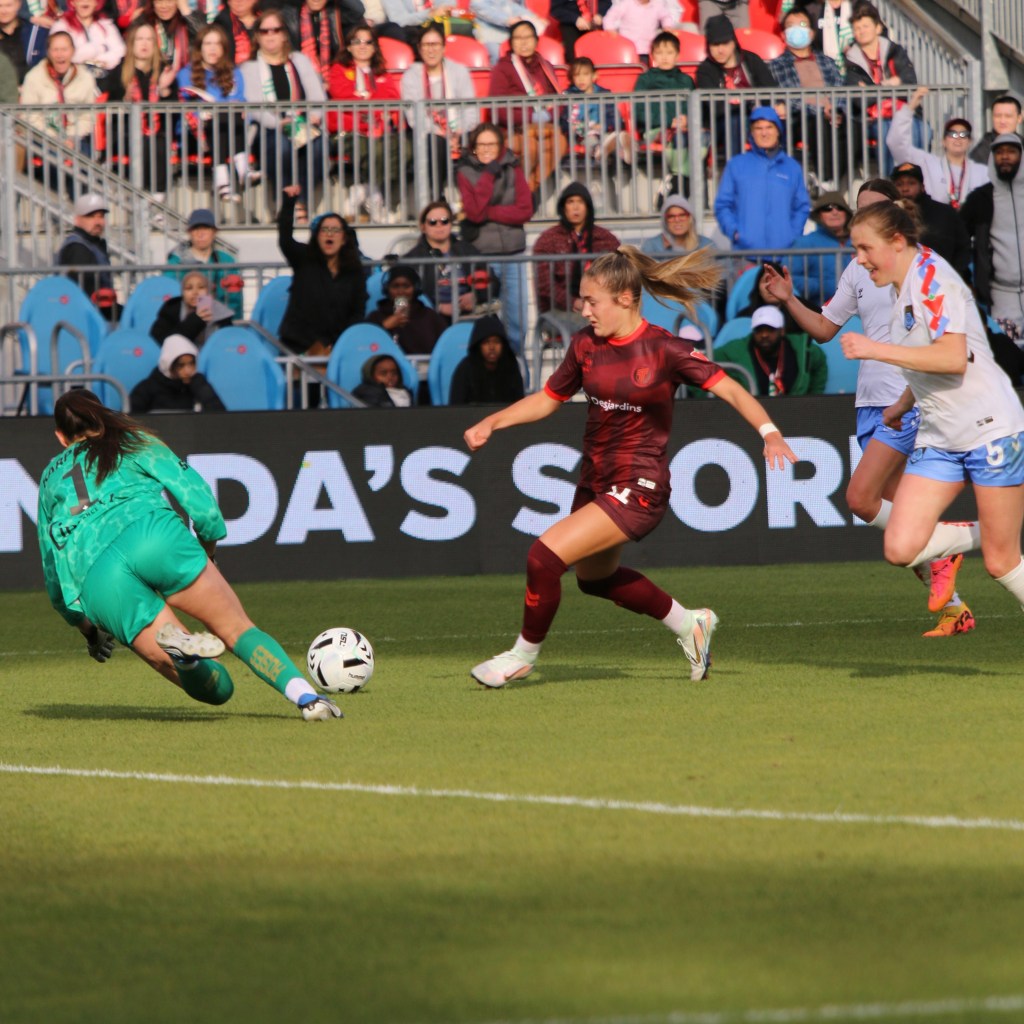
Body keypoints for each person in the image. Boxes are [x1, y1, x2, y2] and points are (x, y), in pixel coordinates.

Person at [464, 246, 798, 687]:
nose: (583, 310)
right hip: (596, 479)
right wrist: (494, 421)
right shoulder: (585, 344)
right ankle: (689, 624)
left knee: (543, 557)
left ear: (625, 297)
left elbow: (732, 390)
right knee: (594, 579)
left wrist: (769, 432)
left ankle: (522, 656)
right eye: (582, 300)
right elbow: (549, 399)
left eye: (591, 301)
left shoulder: (664, 348)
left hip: (640, 485)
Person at [37, 389, 343, 721]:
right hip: (153, 536)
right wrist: (207, 554)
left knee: (218, 691)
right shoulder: (132, 440)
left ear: (60, 437)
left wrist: (89, 631)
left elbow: (54, 579)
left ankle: (185, 657)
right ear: (102, 416)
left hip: (98, 577)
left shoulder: (49, 480)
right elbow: (201, 504)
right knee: (237, 628)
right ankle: (307, 698)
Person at [762, 179, 980, 636]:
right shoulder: (858, 269)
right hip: (870, 403)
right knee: (902, 522)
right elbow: (824, 329)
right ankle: (954, 609)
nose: (863, 223)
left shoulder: (924, 267)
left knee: (861, 499)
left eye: (872, 211)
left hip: (908, 400)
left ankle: (954, 540)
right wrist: (787, 300)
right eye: (859, 214)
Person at [838, 200, 1024, 635]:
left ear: (897, 242)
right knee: (900, 548)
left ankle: (998, 535)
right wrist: (903, 404)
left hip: (989, 429)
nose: (859, 260)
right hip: (939, 435)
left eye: (865, 249)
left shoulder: (931, 278)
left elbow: (953, 358)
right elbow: (926, 358)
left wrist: (873, 349)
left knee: (1001, 562)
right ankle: (982, 535)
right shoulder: (899, 284)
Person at [241, 8, 327, 219]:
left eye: (275, 30)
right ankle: (287, 201)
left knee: (319, 146)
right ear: (257, 36)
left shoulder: (299, 60)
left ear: (284, 34)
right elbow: (255, 106)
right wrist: (279, 123)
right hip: (270, 128)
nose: (270, 35)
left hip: (303, 124)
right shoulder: (249, 68)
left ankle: (300, 202)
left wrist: (314, 115)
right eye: (264, 31)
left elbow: (317, 96)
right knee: (282, 146)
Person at [455, 122, 533, 353]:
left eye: (492, 144)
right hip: (482, 256)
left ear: (500, 146)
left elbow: (525, 210)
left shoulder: (514, 168)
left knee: (517, 320)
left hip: (514, 254)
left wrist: (490, 212)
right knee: (485, 319)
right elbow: (475, 214)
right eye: (482, 145)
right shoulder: (465, 172)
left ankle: (518, 371)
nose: (488, 149)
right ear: (474, 148)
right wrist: (488, 174)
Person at [277, 186, 367, 356]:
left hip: (338, 347)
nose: (329, 235)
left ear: (344, 239)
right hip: (298, 346)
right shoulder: (304, 259)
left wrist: (341, 343)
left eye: (335, 230)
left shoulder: (354, 272)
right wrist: (289, 203)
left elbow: (357, 312)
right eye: (324, 230)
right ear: (316, 236)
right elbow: (285, 240)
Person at [327, 23, 401, 224]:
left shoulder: (381, 73)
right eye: (357, 41)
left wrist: (364, 107)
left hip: (376, 132)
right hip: (348, 132)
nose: (362, 46)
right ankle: (376, 199)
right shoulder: (339, 69)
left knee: (397, 147)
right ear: (348, 47)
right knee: (370, 147)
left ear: (375, 46)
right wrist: (371, 110)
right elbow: (341, 96)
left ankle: (361, 192)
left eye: (368, 42)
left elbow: (393, 99)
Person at [769, 5, 846, 191]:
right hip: (802, 118)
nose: (797, 29)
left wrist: (836, 109)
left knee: (855, 127)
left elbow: (841, 88)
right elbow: (789, 97)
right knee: (817, 121)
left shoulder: (827, 62)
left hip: (830, 114)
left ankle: (837, 178)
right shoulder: (777, 65)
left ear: (812, 33)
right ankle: (826, 181)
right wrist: (823, 111)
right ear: (783, 35)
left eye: (802, 24)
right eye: (791, 26)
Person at [400, 23, 480, 202]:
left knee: (479, 140)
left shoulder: (459, 71)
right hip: (428, 135)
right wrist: (443, 135)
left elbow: (471, 111)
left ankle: (474, 202)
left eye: (435, 44)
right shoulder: (411, 76)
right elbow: (415, 118)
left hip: (459, 131)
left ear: (443, 47)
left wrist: (458, 131)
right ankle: (436, 199)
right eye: (426, 45)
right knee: (435, 143)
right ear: (419, 49)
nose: (431, 50)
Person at [714, 106, 810, 252]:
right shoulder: (736, 165)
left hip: (783, 256)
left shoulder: (792, 168)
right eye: (758, 128)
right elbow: (722, 205)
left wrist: (793, 236)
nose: (764, 133)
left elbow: (801, 206)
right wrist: (735, 233)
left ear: (778, 131)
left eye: (769, 127)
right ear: (751, 133)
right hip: (745, 256)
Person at [487, 19, 566, 196]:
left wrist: (549, 115)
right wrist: (530, 117)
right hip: (514, 130)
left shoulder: (545, 66)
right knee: (530, 147)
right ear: (511, 43)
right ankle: (521, 193)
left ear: (536, 40)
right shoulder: (503, 68)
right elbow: (497, 110)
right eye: (518, 38)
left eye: (528, 37)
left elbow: (558, 100)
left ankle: (528, 190)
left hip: (544, 128)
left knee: (560, 143)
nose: (523, 42)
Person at [960, 134, 1024, 340]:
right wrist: (968, 280)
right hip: (1000, 296)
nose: (1005, 157)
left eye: (1011, 152)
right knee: (1009, 359)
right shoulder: (980, 199)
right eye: (1000, 152)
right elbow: (959, 239)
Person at [842, 1, 919, 174]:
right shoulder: (852, 61)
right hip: (871, 119)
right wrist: (889, 84)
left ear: (878, 28)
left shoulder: (895, 51)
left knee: (922, 131)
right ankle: (891, 184)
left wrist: (873, 89)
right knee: (887, 132)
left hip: (902, 111)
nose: (861, 31)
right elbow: (859, 101)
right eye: (857, 28)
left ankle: (916, 183)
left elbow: (910, 81)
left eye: (865, 26)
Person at [106, 22, 176, 209]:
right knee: (144, 142)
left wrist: (165, 91)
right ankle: (147, 198)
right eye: (139, 39)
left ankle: (158, 197)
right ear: (131, 43)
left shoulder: (163, 70)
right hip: (126, 133)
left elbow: (176, 113)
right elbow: (110, 109)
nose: (144, 44)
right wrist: (124, 99)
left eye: (149, 39)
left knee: (158, 142)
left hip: (158, 133)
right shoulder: (119, 71)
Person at [176, 23, 248, 204]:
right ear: (200, 48)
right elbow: (188, 106)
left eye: (217, 44)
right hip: (197, 132)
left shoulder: (234, 73)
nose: (213, 49)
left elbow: (242, 102)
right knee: (222, 114)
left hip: (230, 130)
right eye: (208, 44)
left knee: (229, 113)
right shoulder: (186, 73)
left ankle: (228, 179)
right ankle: (239, 171)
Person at [887, 86, 990, 209]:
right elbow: (897, 143)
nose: (958, 138)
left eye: (964, 134)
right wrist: (910, 108)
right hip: (938, 222)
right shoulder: (927, 163)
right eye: (952, 134)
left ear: (970, 141)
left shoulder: (982, 172)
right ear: (943, 141)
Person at [620, 31, 695, 196]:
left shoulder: (686, 81)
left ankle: (675, 183)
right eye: (659, 53)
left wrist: (688, 120)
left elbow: (695, 108)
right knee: (680, 140)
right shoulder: (645, 80)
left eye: (669, 52)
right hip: (655, 131)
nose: (664, 57)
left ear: (678, 55)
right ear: (652, 55)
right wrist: (669, 122)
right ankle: (680, 187)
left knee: (699, 140)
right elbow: (639, 113)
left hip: (683, 131)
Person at [533, 182, 620, 320]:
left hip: (602, 306)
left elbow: (620, 275)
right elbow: (544, 285)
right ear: (563, 207)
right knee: (587, 325)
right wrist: (573, 302)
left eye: (580, 201)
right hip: (559, 309)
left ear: (588, 206)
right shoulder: (548, 239)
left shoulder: (606, 238)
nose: (576, 207)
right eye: (570, 202)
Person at [694, 14, 777, 159]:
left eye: (725, 43)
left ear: (733, 42)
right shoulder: (705, 70)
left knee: (774, 120)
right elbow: (717, 106)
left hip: (756, 118)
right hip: (721, 124)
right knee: (734, 118)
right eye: (714, 45)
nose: (720, 50)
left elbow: (771, 91)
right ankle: (736, 172)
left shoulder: (752, 60)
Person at [21, 29, 97, 179]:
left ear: (72, 51)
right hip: (44, 138)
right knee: (54, 161)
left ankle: (78, 200)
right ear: (48, 52)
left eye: (64, 49)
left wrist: (72, 137)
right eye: (55, 50)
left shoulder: (85, 78)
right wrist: (55, 139)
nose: (60, 55)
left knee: (84, 162)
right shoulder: (34, 77)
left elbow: (87, 116)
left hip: (75, 137)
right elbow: (29, 117)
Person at [402, 199, 491, 321]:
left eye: (444, 221)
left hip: (469, 313)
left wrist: (475, 296)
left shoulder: (467, 249)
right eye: (432, 222)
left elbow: (492, 280)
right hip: (429, 317)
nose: (439, 225)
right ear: (423, 226)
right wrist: (438, 306)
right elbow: (400, 297)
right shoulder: (412, 258)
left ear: (451, 224)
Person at [713, 304, 827, 396]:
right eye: (759, 330)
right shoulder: (736, 349)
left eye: (770, 329)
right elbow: (706, 363)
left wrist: (813, 399)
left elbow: (820, 364)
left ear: (782, 331)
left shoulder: (801, 348)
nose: (764, 335)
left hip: (795, 415)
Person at [889, 161, 971, 280]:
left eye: (911, 183)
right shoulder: (887, 216)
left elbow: (963, 247)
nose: (905, 189)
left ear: (922, 187)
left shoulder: (945, 213)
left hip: (941, 284)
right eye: (899, 184)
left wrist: (953, 276)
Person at [167, 207, 244, 320]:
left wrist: (232, 326)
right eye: (196, 229)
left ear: (214, 232)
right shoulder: (176, 261)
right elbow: (170, 294)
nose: (200, 234)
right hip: (184, 322)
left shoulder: (226, 260)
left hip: (220, 321)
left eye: (206, 229)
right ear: (189, 232)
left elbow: (235, 299)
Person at [56, 193, 120, 319]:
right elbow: (87, 293)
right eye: (91, 216)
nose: (98, 222)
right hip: (83, 319)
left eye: (101, 216)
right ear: (77, 220)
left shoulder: (93, 244)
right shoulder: (77, 248)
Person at [787, 190, 852, 311]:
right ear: (819, 215)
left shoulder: (858, 240)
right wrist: (821, 286)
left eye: (839, 208)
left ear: (847, 213)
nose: (834, 212)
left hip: (859, 314)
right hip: (820, 313)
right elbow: (788, 277)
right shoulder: (805, 243)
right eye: (827, 208)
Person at [366, 263, 448, 359]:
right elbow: (365, 345)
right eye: (395, 286)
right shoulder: (376, 317)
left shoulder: (429, 316)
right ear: (387, 289)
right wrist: (384, 326)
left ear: (414, 288)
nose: (401, 291)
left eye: (406, 286)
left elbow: (444, 347)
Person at [129, 333, 226, 412]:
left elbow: (219, 415)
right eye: (181, 365)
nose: (188, 371)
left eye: (191, 363)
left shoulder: (198, 384)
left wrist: (200, 385)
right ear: (168, 365)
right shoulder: (148, 388)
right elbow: (131, 420)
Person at [50, 0, 125, 94]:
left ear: (96, 3)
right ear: (73, 3)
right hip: (73, 84)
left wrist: (98, 60)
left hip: (105, 81)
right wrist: (99, 48)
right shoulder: (61, 26)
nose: (84, 2)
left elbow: (120, 51)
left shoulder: (106, 25)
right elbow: (64, 55)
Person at [448, 313, 524, 404]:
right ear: (478, 345)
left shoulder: (511, 366)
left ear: (503, 345)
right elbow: (456, 407)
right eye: (486, 342)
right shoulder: (465, 369)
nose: (492, 347)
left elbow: (519, 403)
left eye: (497, 342)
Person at [560, 56, 617, 167]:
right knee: (590, 139)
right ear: (572, 78)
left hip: (601, 132)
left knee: (610, 137)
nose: (581, 79)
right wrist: (570, 126)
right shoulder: (567, 95)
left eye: (585, 74)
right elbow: (563, 119)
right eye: (577, 75)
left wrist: (603, 125)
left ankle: (622, 149)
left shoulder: (604, 94)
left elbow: (614, 117)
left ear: (594, 76)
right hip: (581, 134)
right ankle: (598, 150)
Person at [150, 270, 234, 345]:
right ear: (182, 293)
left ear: (208, 291)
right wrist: (196, 320)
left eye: (201, 287)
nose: (195, 292)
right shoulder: (171, 310)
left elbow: (228, 344)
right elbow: (161, 341)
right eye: (189, 288)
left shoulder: (222, 314)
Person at [132, 0, 200, 76]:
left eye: (169, 1)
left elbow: (205, 37)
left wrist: (185, 11)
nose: (164, 6)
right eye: (159, 1)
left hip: (186, 77)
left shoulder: (188, 20)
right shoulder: (144, 21)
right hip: (153, 78)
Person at [601, 0, 678, 64]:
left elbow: (666, 16)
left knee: (646, 74)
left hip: (648, 49)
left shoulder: (657, 5)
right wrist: (610, 30)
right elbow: (609, 17)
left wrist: (667, 26)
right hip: (628, 50)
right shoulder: (626, 4)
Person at [641, 194, 715, 256]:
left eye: (682, 215)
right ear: (665, 220)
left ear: (690, 218)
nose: (677, 220)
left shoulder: (707, 245)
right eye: (671, 216)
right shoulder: (651, 247)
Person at [0, 0, 48, 84]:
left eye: (8, 5)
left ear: (18, 5)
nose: (4, 11)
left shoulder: (35, 33)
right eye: (0, 6)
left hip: (31, 88)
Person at [970, 94, 1023, 167]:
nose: (1002, 121)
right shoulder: (982, 151)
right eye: (998, 116)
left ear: (1019, 118)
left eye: (1008, 116)